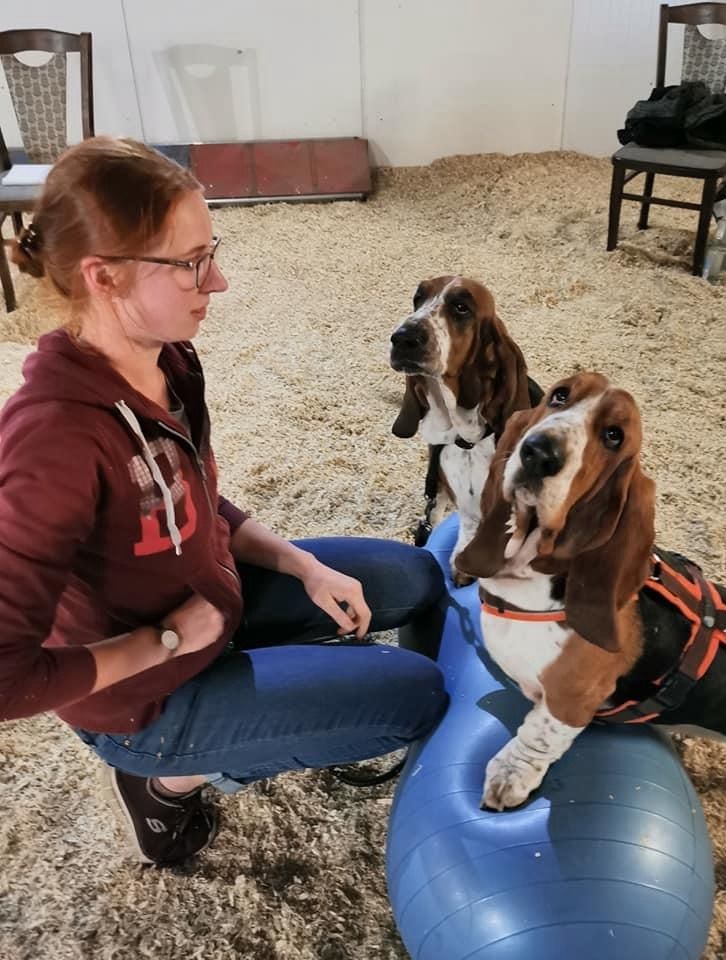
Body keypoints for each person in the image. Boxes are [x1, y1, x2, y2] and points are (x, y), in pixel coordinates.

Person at [0, 136, 448, 866]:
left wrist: (303, 566)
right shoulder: (51, 441)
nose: (221, 282)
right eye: (191, 264)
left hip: (210, 602)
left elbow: (193, 495)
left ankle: (248, 673)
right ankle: (161, 783)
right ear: (103, 277)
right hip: (140, 698)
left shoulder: (169, 358)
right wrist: (164, 641)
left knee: (411, 577)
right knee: (415, 696)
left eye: (212, 252)